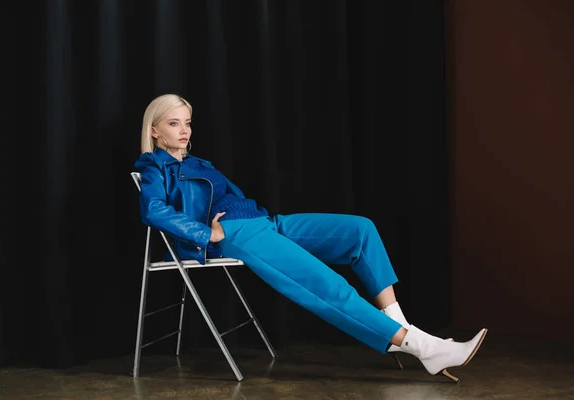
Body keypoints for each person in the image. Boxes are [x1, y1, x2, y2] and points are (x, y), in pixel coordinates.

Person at [133, 93, 487, 383]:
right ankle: (424, 348)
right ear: (155, 130)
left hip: (263, 221)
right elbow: (153, 210)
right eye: (173, 123)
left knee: (359, 230)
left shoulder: (199, 162)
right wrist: (206, 233)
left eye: (187, 122)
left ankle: (397, 325)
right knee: (324, 283)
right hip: (237, 235)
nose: (183, 130)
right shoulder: (154, 167)